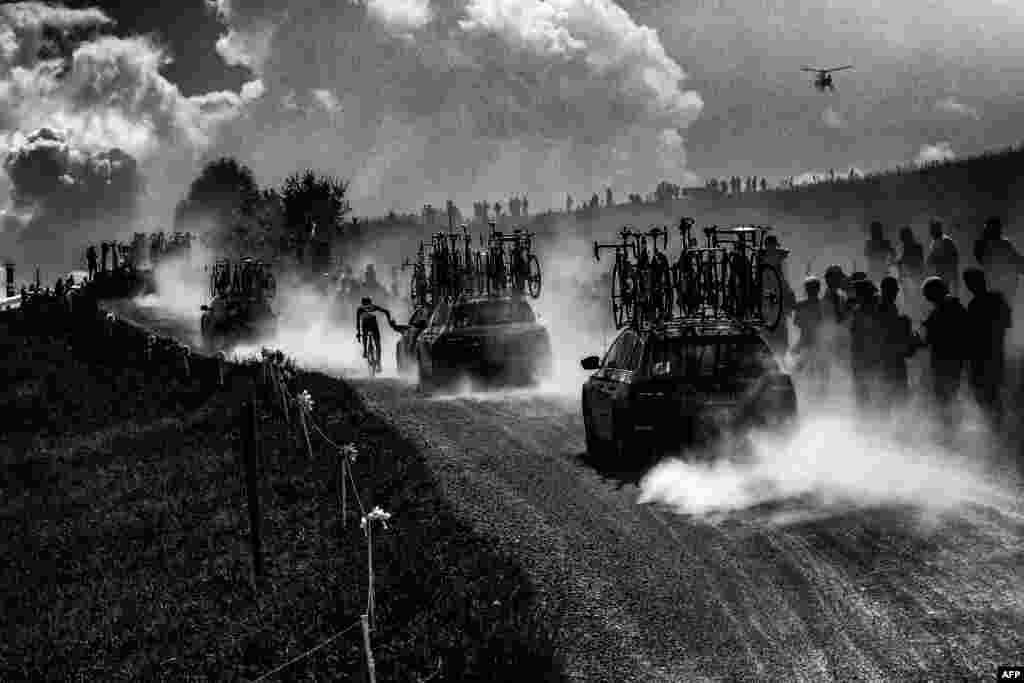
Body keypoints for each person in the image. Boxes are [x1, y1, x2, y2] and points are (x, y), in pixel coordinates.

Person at [916, 276, 969, 431]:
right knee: (948, 395)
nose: (928, 300)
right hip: (951, 359)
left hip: (946, 360)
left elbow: (932, 336)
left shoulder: (946, 307)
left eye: (929, 296)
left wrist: (918, 339)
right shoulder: (950, 306)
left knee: (945, 395)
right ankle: (949, 427)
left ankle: (948, 429)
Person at [962, 267, 1011, 429]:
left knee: (987, 395)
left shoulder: (975, 305)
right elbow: (1006, 324)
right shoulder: (997, 299)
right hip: (993, 353)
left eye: (970, 282)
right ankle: (997, 427)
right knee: (992, 395)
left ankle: (995, 428)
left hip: (983, 356)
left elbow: (971, 335)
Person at [876, 276, 915, 407]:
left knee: (897, 395)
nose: (897, 291)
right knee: (894, 395)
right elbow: (885, 333)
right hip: (889, 359)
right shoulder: (882, 307)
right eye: (894, 289)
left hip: (893, 357)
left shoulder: (890, 306)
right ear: (886, 290)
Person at [973, 216, 1024, 305]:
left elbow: (1017, 261)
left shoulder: (1002, 243)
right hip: (999, 285)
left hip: (1000, 285)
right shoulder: (995, 244)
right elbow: (1017, 262)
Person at [791, 276, 828, 397]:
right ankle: (807, 394)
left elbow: (798, 323)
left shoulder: (802, 306)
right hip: (810, 342)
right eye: (810, 288)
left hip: (810, 342)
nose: (811, 290)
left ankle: (819, 394)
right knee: (801, 369)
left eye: (812, 288)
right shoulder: (822, 305)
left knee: (802, 369)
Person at [355, 297, 396, 372]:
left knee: (364, 335)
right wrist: (389, 321)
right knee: (378, 345)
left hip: (365, 325)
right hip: (373, 325)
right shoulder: (374, 307)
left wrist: (358, 333)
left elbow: (358, 322)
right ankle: (379, 363)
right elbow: (386, 311)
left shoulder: (360, 309)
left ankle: (365, 351)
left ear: (362, 303)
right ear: (370, 302)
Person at [926, 220, 959, 296]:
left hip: (947, 275)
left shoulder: (946, 241)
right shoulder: (934, 242)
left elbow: (954, 258)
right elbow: (932, 258)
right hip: (940, 274)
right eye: (931, 229)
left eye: (932, 229)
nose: (931, 232)